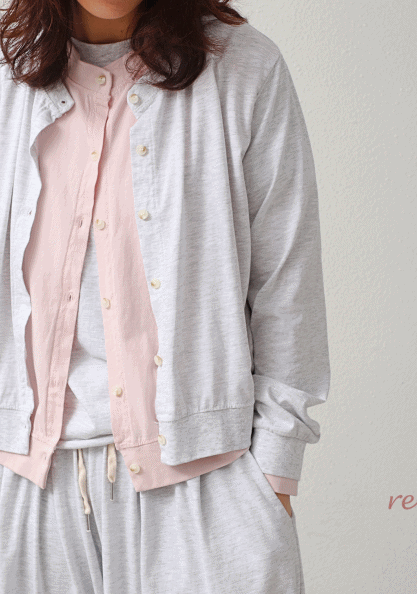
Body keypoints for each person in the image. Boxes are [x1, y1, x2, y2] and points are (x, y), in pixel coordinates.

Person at [0, 0, 330, 592]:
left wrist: (274, 474)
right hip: (21, 482)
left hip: (208, 479)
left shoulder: (244, 67)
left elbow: (288, 283)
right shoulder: (7, 68)